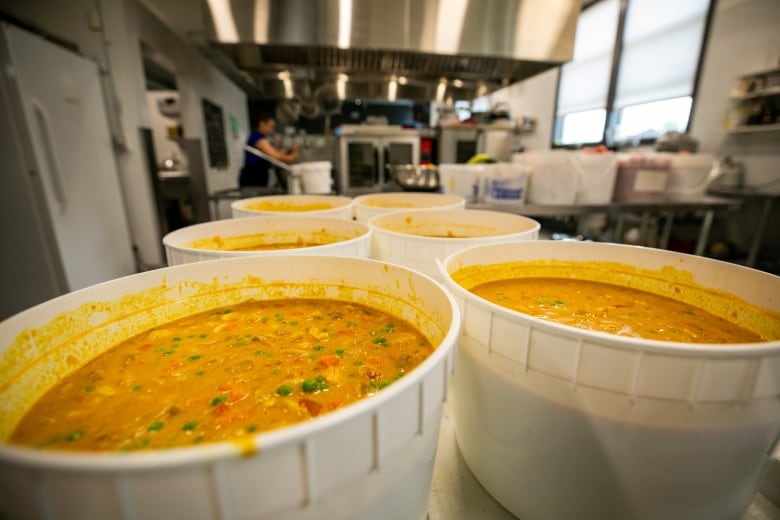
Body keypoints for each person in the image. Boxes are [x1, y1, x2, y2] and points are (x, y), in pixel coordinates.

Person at [238, 114, 299, 188]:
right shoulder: (257, 138)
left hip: (259, 174)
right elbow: (275, 155)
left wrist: (289, 152)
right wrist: (292, 156)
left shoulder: (261, 137)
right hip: (252, 176)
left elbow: (276, 153)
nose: (272, 130)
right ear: (262, 124)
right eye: (271, 127)